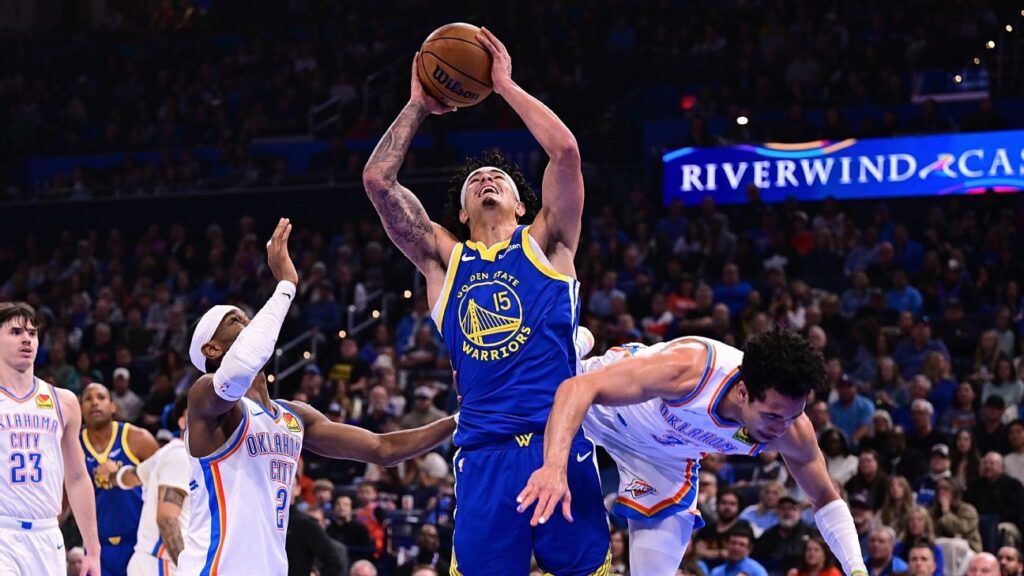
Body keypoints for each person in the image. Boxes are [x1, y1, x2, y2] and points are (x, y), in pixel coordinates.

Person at [362, 26, 608, 575]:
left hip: (557, 443)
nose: (487, 178)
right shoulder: (444, 261)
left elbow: (565, 151)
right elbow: (378, 180)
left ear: (523, 205)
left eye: (498, 176)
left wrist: (505, 87)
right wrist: (418, 105)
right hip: (483, 453)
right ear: (462, 213)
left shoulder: (549, 243)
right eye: (476, 180)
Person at [176, 219, 457, 575]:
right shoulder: (206, 399)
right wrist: (286, 285)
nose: (249, 325)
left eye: (248, 319)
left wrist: (459, 419)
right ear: (212, 349)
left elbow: (383, 449)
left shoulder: (293, 417)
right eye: (235, 321)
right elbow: (243, 363)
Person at [520, 328, 868, 576]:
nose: (783, 427)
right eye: (773, 416)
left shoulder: (793, 429)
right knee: (528, 380)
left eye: (793, 415)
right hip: (600, 409)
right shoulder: (690, 369)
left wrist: (855, 567)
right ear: (743, 393)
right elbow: (578, 389)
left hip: (663, 460)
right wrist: (553, 467)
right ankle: (574, 342)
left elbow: (825, 499)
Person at [0, 303, 101, 575]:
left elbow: (77, 478)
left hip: (47, 534)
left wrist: (93, 549)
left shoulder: (63, 401)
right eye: (16, 332)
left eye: (32, 333)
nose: (26, 339)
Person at [96, 394, 190, 575]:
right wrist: (188, 568)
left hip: (150, 562)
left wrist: (112, 475)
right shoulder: (180, 456)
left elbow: (133, 476)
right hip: (162, 563)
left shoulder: (166, 454)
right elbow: (167, 519)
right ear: (182, 422)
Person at [81, 382, 159, 576]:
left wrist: (123, 474)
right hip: (96, 545)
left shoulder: (138, 438)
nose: (94, 402)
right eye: (88, 399)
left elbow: (162, 481)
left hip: (138, 542)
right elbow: (63, 500)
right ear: (80, 408)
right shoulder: (74, 446)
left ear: (113, 406)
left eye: (101, 397)